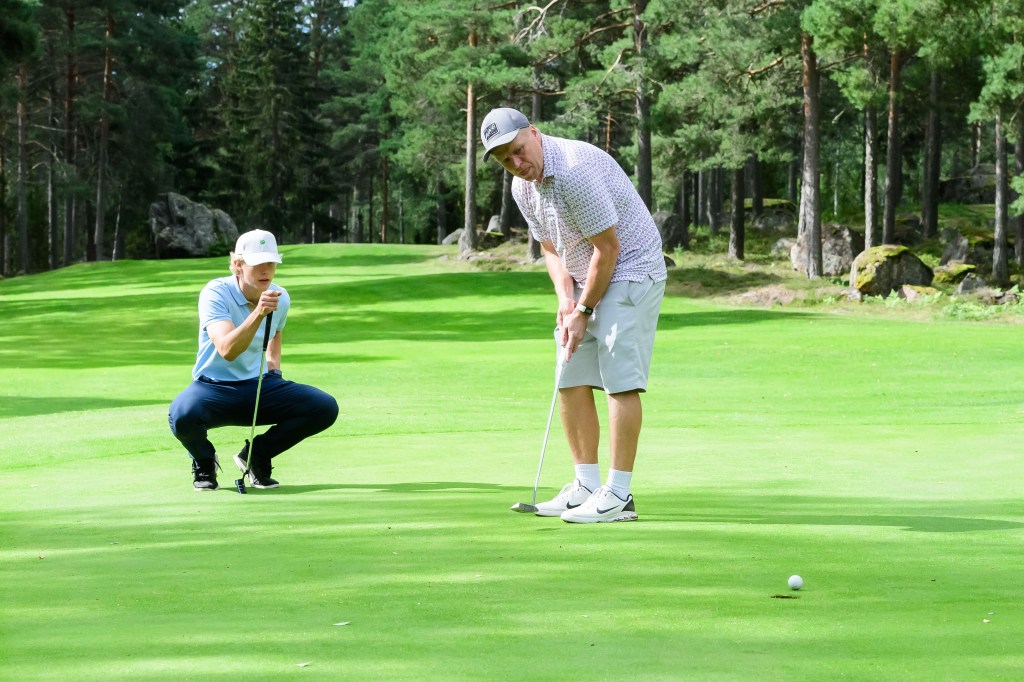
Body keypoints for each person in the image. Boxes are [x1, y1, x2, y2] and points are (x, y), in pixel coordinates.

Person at [481, 107, 667, 523]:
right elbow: (550, 248)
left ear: (533, 132)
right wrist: (566, 297)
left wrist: (584, 309)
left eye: (518, 150)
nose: (516, 163)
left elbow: (609, 248)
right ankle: (585, 484)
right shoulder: (522, 187)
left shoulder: (574, 171)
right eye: (505, 160)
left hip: (632, 269)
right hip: (586, 275)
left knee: (619, 379)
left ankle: (618, 494)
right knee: (569, 375)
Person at [168, 229, 338, 491]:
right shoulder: (215, 293)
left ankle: (256, 455)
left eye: (271, 263)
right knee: (181, 415)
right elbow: (227, 349)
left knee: (324, 407)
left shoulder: (279, 297)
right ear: (238, 265)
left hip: (259, 387)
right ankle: (204, 461)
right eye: (258, 263)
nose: (265, 270)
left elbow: (275, 333)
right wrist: (258, 312)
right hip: (213, 389)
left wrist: (274, 370)